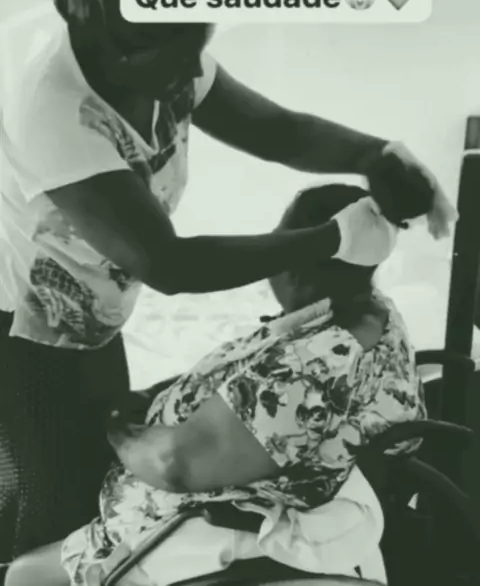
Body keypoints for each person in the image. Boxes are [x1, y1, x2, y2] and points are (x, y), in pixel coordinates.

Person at [0, 0, 454, 571]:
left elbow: (279, 131)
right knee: (52, 498)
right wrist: (328, 238)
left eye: (201, 41)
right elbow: (169, 263)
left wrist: (377, 154)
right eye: (178, 52)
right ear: (118, 46)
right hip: (26, 331)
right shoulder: (54, 114)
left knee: (85, 476)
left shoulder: (166, 52)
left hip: (96, 317)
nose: (194, 70)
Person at [5, 183, 427, 586]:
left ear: (296, 261)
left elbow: (175, 465)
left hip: (210, 526)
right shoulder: (371, 313)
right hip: (269, 488)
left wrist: (118, 425)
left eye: (280, 241)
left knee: (24, 575)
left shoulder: (315, 361)